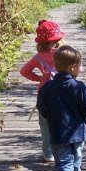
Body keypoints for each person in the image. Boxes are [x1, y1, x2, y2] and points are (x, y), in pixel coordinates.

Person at [37, 45, 86, 171]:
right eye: (80, 65)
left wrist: (51, 118)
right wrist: (84, 120)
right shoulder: (81, 87)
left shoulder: (47, 88)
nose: (81, 68)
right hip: (78, 131)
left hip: (58, 131)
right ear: (72, 67)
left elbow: (42, 108)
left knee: (64, 161)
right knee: (76, 159)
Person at [19, 20, 64, 162]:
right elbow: (79, 68)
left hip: (44, 94)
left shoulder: (38, 57)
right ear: (57, 39)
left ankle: (48, 153)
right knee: (62, 121)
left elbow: (24, 71)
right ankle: (62, 150)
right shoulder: (63, 54)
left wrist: (39, 78)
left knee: (45, 124)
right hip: (62, 92)